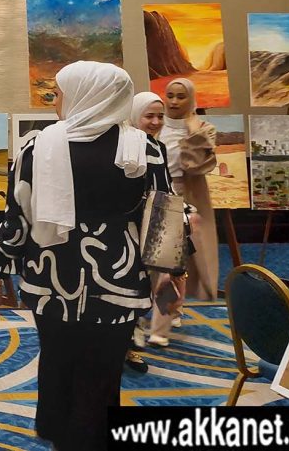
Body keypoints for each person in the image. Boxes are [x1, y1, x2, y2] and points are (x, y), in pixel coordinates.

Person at [0, 61, 157, 451]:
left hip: (50, 279)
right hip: (119, 280)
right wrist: (174, 272)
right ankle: (91, 438)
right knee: (104, 369)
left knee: (57, 358)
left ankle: (56, 429)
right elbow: (165, 218)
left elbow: (17, 219)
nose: (54, 102)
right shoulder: (143, 148)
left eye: (59, 94)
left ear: (84, 95)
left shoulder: (36, 147)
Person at [125, 92, 198, 371]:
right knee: (132, 284)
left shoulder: (158, 147)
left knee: (162, 280)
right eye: (149, 116)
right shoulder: (125, 146)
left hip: (159, 222)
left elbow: (164, 186)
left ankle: (158, 327)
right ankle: (131, 344)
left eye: (160, 116)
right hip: (132, 226)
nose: (156, 122)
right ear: (135, 115)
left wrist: (180, 216)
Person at [149, 78, 218, 347]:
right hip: (153, 196)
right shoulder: (154, 125)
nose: (174, 101)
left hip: (183, 198)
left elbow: (196, 165)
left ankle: (160, 326)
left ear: (191, 99)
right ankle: (172, 309)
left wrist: (192, 132)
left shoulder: (204, 129)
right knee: (158, 265)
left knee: (171, 265)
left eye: (181, 96)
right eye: (170, 95)